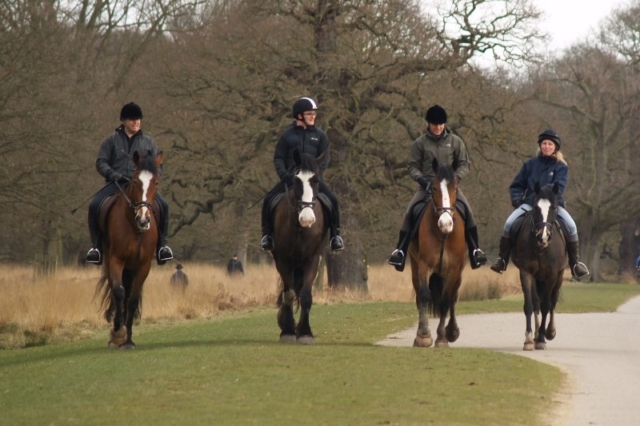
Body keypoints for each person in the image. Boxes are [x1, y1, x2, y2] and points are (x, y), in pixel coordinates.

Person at [388, 105, 487, 271]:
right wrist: (422, 180)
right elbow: (412, 165)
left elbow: (464, 163)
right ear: (428, 124)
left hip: (450, 187)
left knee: (468, 211)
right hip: (427, 186)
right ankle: (400, 251)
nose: (438, 127)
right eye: (435, 124)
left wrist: (457, 178)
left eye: (441, 124)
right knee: (410, 211)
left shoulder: (455, 141)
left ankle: (476, 250)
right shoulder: (420, 143)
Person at [489, 129, 589, 279]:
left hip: (553, 206)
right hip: (530, 203)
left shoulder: (561, 166)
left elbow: (559, 187)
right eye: (544, 143)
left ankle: (575, 263)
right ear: (540, 146)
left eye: (550, 144)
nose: (547, 146)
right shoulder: (529, 165)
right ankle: (502, 259)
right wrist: (516, 199)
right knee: (509, 223)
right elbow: (516, 185)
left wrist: (543, 195)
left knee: (572, 226)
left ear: (555, 147)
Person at [85, 102, 173, 265]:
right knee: (94, 205)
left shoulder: (149, 142)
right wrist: (114, 175)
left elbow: (158, 165)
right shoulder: (111, 141)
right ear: (124, 121)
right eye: (132, 119)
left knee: (164, 206)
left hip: (142, 186)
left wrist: (152, 178)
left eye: (138, 119)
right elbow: (101, 162)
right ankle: (96, 248)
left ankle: (162, 247)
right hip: (116, 184)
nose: (136, 122)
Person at [260, 97, 344, 252]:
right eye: (309, 113)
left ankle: (335, 236)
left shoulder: (320, 136)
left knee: (332, 200)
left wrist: (315, 174)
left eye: (314, 114)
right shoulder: (287, 136)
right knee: (268, 200)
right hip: (291, 179)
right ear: (299, 116)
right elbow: (278, 157)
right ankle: (267, 236)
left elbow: (325, 158)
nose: (313, 116)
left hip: (312, 181)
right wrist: (285, 176)